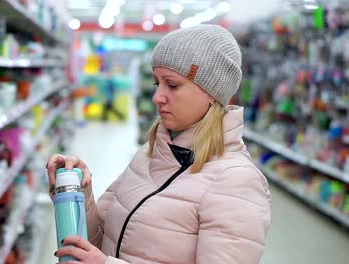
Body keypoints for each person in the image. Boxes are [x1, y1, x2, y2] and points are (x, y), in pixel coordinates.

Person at [47, 24, 272, 264]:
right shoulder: (149, 154)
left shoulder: (236, 180)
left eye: (172, 85)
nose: (157, 97)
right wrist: (78, 193)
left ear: (211, 93)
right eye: (157, 83)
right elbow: (101, 243)